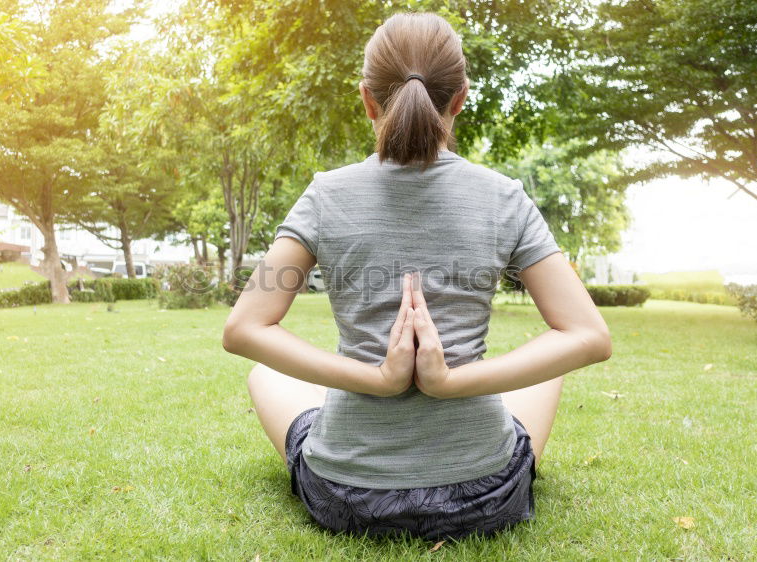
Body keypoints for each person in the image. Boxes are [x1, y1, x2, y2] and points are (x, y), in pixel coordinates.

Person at [222, 12, 612, 540]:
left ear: (366, 100)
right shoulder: (504, 198)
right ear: (461, 99)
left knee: (264, 374)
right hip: (484, 498)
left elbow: (244, 329)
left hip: (347, 499)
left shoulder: (325, 195)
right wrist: (451, 382)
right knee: (551, 369)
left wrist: (376, 379)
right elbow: (588, 336)